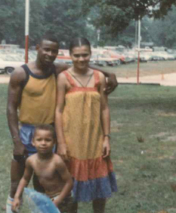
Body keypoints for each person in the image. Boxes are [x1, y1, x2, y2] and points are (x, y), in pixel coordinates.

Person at [6, 33, 118, 213]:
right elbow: (11, 108)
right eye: (46, 50)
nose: (50, 54)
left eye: (54, 51)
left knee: (46, 181)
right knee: (18, 179)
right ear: (37, 48)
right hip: (29, 132)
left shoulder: (57, 70)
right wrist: (16, 141)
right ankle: (10, 209)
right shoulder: (23, 73)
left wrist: (109, 73)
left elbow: (83, 65)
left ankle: (44, 210)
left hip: (52, 133)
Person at [55, 37, 118, 213]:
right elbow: (58, 111)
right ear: (70, 55)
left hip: (95, 141)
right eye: (77, 55)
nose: (81, 59)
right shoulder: (63, 78)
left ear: (90, 54)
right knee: (70, 190)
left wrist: (106, 137)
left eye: (85, 55)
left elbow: (104, 109)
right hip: (71, 141)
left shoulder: (99, 77)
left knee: (100, 192)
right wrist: (61, 142)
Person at [12, 125, 75, 213]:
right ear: (33, 142)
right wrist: (17, 197)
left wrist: (57, 201)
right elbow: (25, 179)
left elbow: (69, 182)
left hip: (64, 198)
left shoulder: (57, 161)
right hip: (48, 198)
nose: (43, 143)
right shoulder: (31, 161)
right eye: (39, 140)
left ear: (54, 142)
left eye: (48, 140)